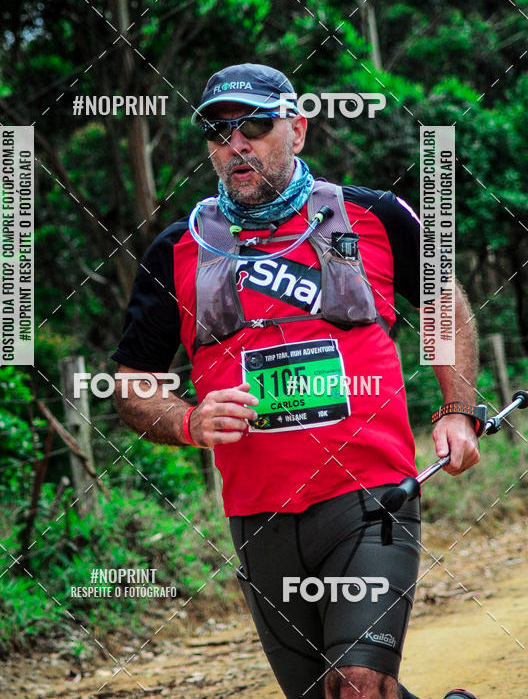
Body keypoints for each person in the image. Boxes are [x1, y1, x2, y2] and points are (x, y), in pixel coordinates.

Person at [111, 63, 481, 699]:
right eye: (219, 130)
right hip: (256, 517)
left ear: (298, 129)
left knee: (358, 683)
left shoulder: (376, 215)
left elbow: (443, 302)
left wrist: (456, 408)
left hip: (369, 500)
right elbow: (132, 383)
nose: (237, 143)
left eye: (255, 124)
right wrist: (190, 421)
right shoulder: (178, 248)